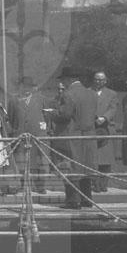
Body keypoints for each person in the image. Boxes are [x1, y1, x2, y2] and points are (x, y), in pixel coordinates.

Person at [52, 67, 98, 209]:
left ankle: (73, 200)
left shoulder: (68, 94)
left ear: (69, 79)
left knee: (70, 167)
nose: (63, 83)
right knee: (85, 167)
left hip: (72, 135)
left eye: (63, 80)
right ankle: (86, 199)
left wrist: (52, 113)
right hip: (88, 136)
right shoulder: (91, 94)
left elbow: (65, 115)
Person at [9, 76, 50, 194]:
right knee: (22, 162)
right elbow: (11, 119)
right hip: (21, 137)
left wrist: (43, 130)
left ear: (32, 88)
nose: (26, 89)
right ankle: (24, 185)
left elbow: (47, 117)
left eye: (29, 86)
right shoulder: (14, 100)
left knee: (40, 162)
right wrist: (16, 131)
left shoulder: (41, 99)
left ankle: (40, 186)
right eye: (24, 86)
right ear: (20, 86)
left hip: (38, 136)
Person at [91, 71, 118, 193]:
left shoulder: (112, 94)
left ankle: (104, 184)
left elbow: (113, 108)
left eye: (101, 80)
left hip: (106, 129)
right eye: (96, 79)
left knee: (106, 159)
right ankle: (94, 184)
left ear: (105, 81)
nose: (98, 82)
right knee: (93, 158)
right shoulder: (88, 92)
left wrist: (105, 117)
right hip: (92, 128)